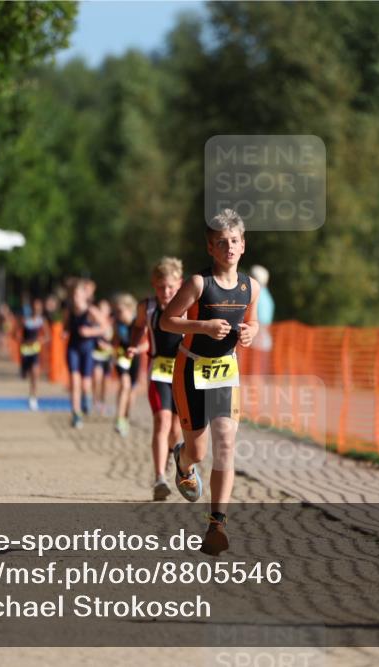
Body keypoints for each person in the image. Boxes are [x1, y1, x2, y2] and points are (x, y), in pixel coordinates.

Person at [162, 209, 259, 556]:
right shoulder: (199, 284)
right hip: (191, 369)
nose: (228, 247)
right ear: (210, 248)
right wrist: (202, 326)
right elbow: (167, 321)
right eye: (221, 242)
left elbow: (254, 322)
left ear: (243, 245)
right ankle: (183, 461)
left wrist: (251, 332)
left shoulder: (251, 286)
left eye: (234, 241)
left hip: (226, 371)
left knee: (226, 443)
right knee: (199, 452)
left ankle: (216, 525)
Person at [127, 257, 185, 501]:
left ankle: (171, 455)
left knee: (176, 429)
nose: (166, 292)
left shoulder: (188, 305)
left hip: (183, 373)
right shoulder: (147, 307)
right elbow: (138, 327)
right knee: (162, 421)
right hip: (159, 369)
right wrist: (134, 344)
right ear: (154, 285)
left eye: (171, 287)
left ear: (180, 284)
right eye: (161, 287)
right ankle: (160, 477)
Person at [64, 279, 106, 429]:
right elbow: (66, 326)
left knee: (85, 384)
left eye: (78, 294)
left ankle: (87, 399)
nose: (75, 298)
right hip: (73, 349)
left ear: (84, 295)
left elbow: (105, 327)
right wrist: (64, 332)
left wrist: (90, 332)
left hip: (87, 350)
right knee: (74, 382)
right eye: (73, 295)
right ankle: (76, 414)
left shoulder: (91, 311)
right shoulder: (69, 311)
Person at [111, 293, 141, 437]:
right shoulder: (117, 324)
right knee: (125, 385)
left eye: (120, 311)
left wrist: (137, 350)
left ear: (130, 309)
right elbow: (115, 341)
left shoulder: (138, 323)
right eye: (116, 311)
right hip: (122, 357)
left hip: (135, 358)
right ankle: (119, 418)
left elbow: (147, 343)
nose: (118, 314)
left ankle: (126, 418)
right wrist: (113, 353)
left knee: (131, 391)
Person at [20, 297, 48, 411]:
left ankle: (33, 398)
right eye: (35, 307)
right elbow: (17, 334)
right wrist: (22, 340)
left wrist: (40, 340)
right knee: (26, 375)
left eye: (38, 307)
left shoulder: (41, 321)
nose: (36, 309)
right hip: (25, 351)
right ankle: (30, 393)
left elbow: (48, 336)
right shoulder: (25, 320)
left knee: (35, 374)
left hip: (36, 350)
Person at [91, 297, 114, 416]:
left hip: (107, 356)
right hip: (96, 355)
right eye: (100, 309)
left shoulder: (112, 323)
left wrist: (109, 347)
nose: (102, 311)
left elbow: (113, 339)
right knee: (97, 377)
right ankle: (95, 401)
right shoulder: (94, 323)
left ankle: (103, 402)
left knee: (105, 382)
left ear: (109, 310)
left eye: (104, 309)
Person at [249, 264, 275, 373]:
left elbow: (261, 321)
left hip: (256, 339)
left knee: (253, 372)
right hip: (263, 339)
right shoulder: (267, 295)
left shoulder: (257, 294)